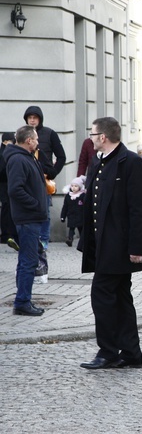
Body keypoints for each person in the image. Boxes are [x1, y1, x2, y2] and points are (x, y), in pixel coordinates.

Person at [79, 117, 142, 369]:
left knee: (101, 295)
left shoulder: (131, 162)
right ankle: (132, 353)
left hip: (120, 246)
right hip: (102, 244)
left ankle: (109, 351)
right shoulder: (97, 161)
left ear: (103, 137)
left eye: (92, 134)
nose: (90, 138)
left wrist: (137, 248)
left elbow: (138, 209)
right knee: (121, 298)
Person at [4, 126, 48, 316]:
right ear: (28, 140)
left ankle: (23, 301)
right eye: (36, 138)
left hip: (32, 217)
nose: (38, 141)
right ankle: (22, 302)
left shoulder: (28, 157)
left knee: (27, 260)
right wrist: (36, 204)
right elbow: (15, 190)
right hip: (27, 218)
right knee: (28, 262)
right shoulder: (18, 159)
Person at [24, 106, 67, 250]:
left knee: (45, 212)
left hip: (43, 180)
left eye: (35, 117)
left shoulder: (50, 134)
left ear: (40, 119)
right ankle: (29, 240)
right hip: (26, 179)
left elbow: (61, 157)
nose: (32, 120)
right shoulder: (22, 134)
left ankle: (43, 241)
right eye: (29, 117)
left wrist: (52, 173)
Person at [0, 132, 18, 245]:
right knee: (7, 207)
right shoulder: (4, 153)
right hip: (4, 184)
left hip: (8, 183)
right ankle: (6, 234)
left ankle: (9, 234)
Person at [60, 175, 86, 247]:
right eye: (72, 186)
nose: (73, 188)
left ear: (80, 187)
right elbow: (65, 206)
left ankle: (82, 241)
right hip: (71, 215)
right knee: (71, 228)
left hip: (80, 215)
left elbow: (86, 206)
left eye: (76, 186)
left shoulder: (82, 195)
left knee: (81, 229)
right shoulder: (69, 196)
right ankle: (70, 239)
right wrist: (63, 216)